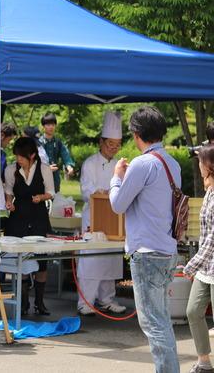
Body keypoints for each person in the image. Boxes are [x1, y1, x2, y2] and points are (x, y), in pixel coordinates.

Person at [109, 106, 180, 372]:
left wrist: (116, 176)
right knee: (161, 321)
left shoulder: (142, 163)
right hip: (166, 249)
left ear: (137, 134)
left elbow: (117, 204)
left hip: (147, 252)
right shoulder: (171, 163)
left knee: (153, 323)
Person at [76, 112, 126, 316]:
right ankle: (85, 301)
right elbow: (86, 190)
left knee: (111, 260)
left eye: (117, 145)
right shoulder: (90, 163)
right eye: (110, 144)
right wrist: (100, 192)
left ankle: (107, 299)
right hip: (94, 217)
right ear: (101, 142)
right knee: (92, 260)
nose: (113, 149)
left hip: (113, 218)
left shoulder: (119, 165)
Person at [4, 137, 55, 315]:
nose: (18, 159)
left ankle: (39, 302)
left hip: (39, 216)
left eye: (22, 156)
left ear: (32, 155)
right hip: (18, 217)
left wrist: (41, 197)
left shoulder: (44, 169)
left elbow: (51, 192)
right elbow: (9, 192)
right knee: (21, 261)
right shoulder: (11, 170)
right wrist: (9, 202)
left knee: (41, 262)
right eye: (17, 156)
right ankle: (24, 302)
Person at [185, 144, 214, 373]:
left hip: (208, 263)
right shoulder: (209, 190)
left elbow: (212, 240)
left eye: (200, 161)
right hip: (206, 267)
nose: (198, 164)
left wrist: (190, 265)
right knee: (193, 311)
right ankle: (204, 362)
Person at [39, 112, 74, 192]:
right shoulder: (38, 142)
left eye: (53, 124)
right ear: (43, 126)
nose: (51, 127)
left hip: (55, 178)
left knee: (55, 200)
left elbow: (65, 154)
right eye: (48, 125)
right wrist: (46, 169)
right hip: (41, 177)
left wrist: (69, 166)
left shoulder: (58, 142)